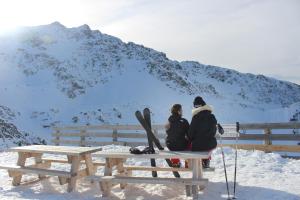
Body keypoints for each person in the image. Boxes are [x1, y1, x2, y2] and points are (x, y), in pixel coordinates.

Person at [188, 96, 217, 168]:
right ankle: (206, 160)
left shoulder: (195, 117)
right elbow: (214, 131)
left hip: (197, 145)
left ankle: (200, 162)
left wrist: (191, 139)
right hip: (210, 144)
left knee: (196, 147)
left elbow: (190, 134)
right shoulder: (212, 116)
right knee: (206, 146)